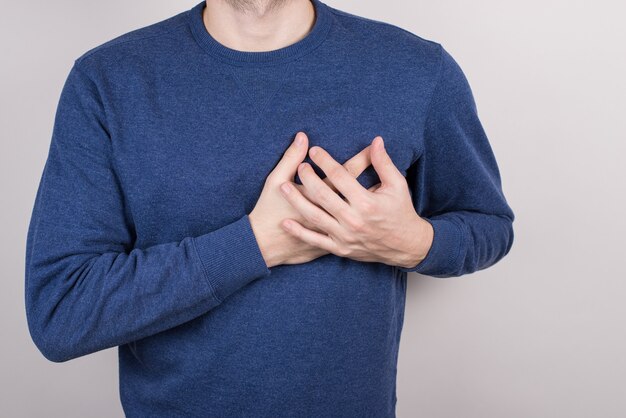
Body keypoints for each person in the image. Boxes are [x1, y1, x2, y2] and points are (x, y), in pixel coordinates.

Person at [24, 0, 515, 416]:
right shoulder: (108, 80)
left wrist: (414, 242)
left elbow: (488, 225)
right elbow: (61, 312)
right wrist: (255, 245)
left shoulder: (415, 69)